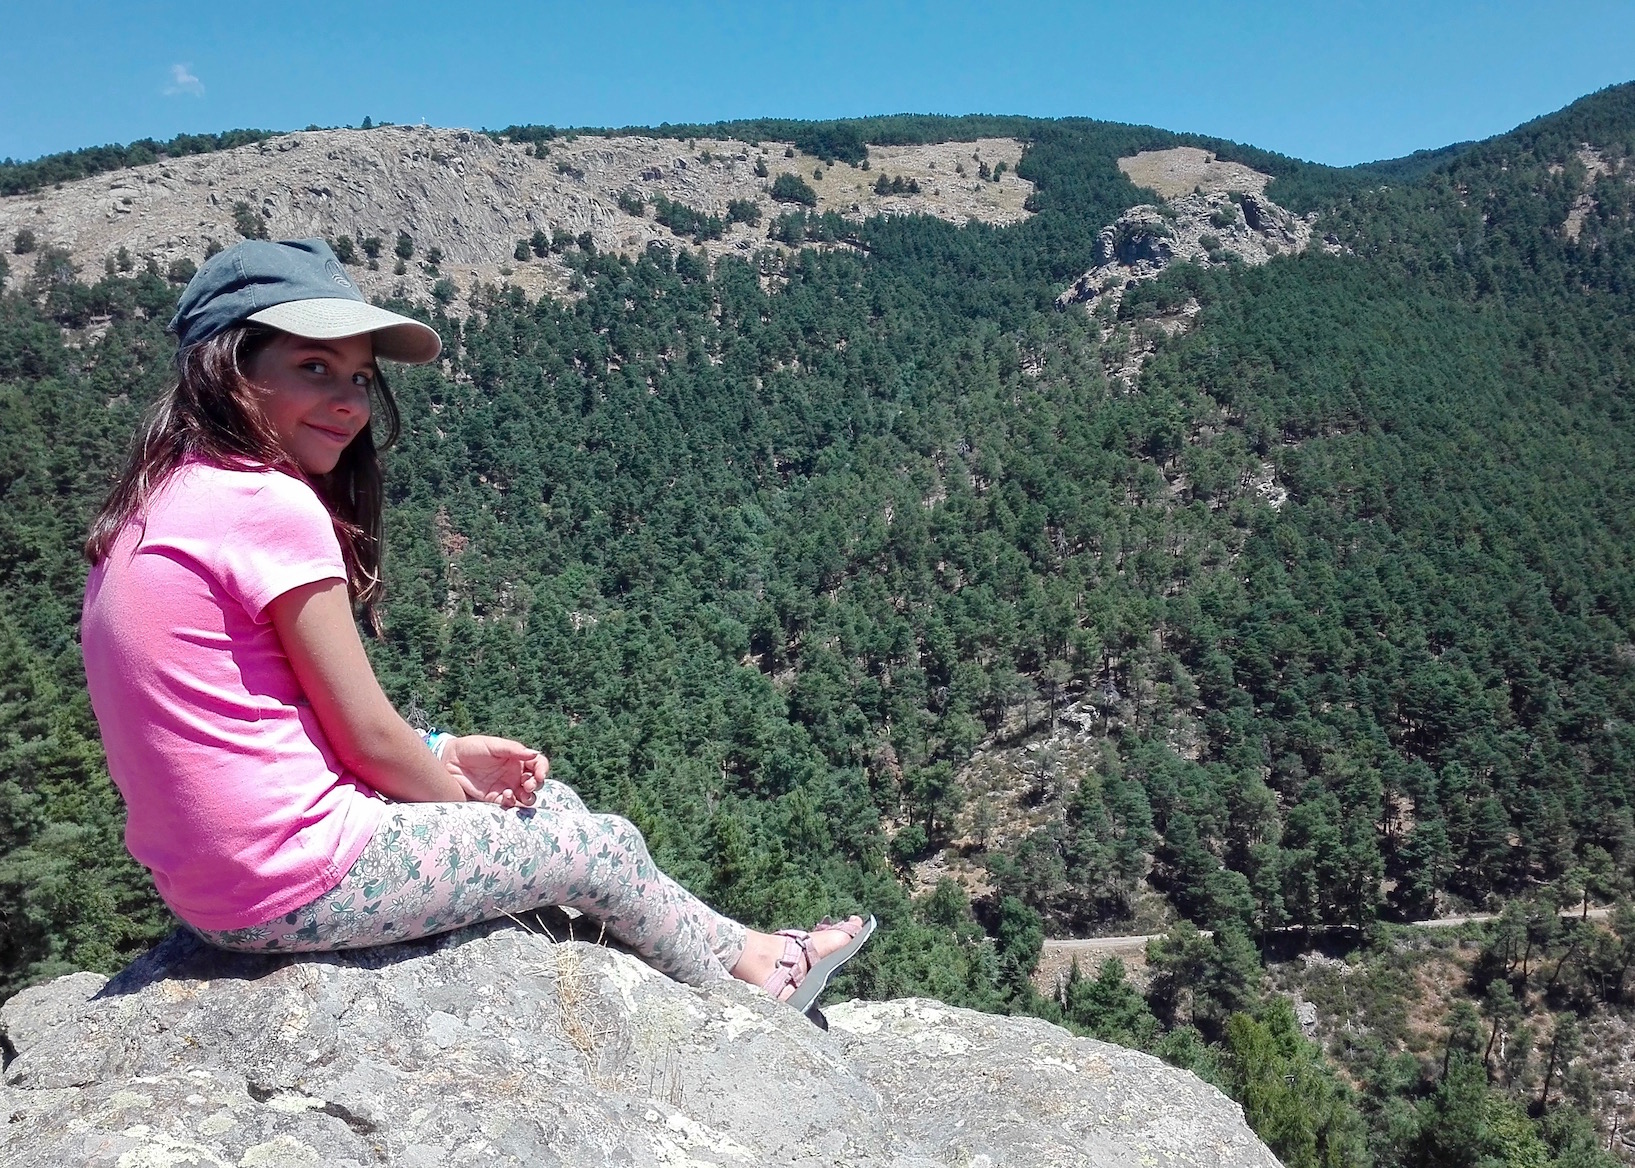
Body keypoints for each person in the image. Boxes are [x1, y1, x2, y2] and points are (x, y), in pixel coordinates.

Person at [80, 238, 872, 1014]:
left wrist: (443, 756)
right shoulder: (266, 505)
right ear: (225, 368)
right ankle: (744, 1015)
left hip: (213, 885)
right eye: (312, 367)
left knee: (553, 805)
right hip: (290, 878)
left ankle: (756, 954)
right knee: (599, 849)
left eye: (359, 375)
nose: (351, 401)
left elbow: (256, 713)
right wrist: (454, 798)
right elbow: (364, 739)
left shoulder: (156, 506)